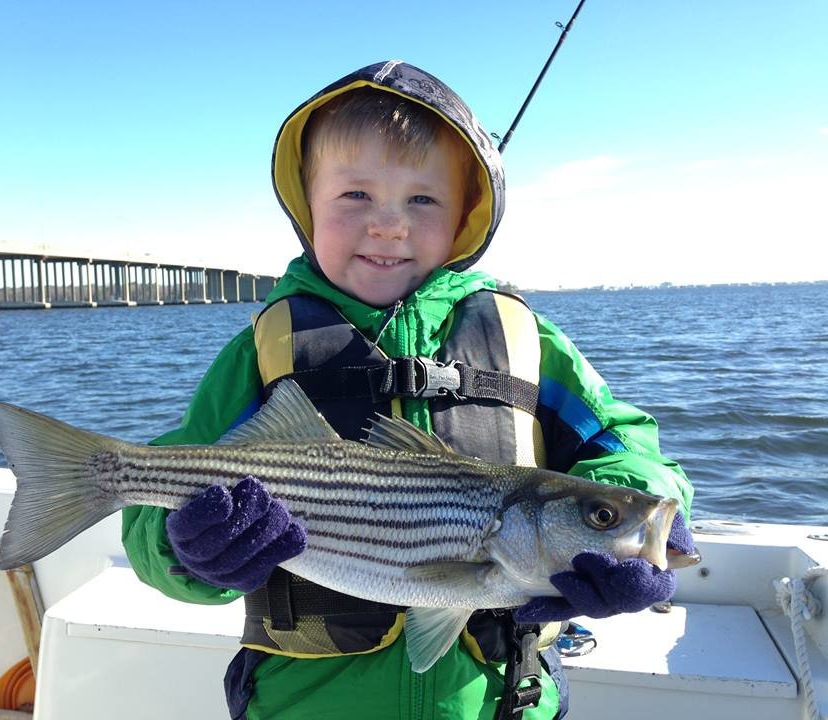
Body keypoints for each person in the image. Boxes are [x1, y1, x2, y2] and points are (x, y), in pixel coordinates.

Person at [122, 60, 695, 720]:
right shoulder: (259, 352)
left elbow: (637, 456)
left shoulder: (528, 339)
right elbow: (158, 508)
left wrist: (635, 524)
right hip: (304, 704)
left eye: (422, 200)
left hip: (503, 700)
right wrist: (182, 549)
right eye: (355, 196)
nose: (389, 225)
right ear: (308, 209)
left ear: (463, 219)